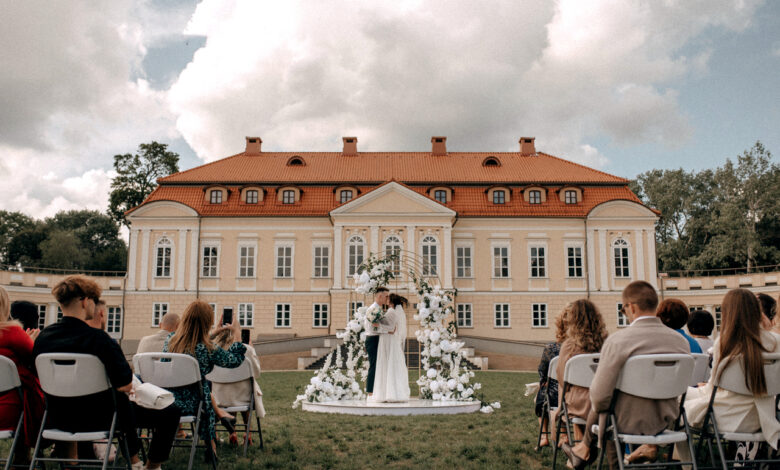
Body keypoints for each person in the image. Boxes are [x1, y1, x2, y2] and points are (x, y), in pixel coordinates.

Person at [32, 275, 180, 470]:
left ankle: (71, 462)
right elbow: (126, 384)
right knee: (170, 411)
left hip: (56, 417)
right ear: (85, 302)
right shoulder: (99, 339)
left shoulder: (43, 339)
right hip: (102, 418)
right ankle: (151, 466)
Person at [561, 281, 689, 469]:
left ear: (631, 307)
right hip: (667, 418)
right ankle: (584, 449)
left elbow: (598, 396)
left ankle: (588, 451)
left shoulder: (619, 341)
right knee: (609, 404)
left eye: (624, 309)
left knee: (607, 404)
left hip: (627, 421)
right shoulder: (681, 342)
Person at [676, 289, 780, 463]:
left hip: (727, 416)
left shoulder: (724, 343)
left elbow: (712, 389)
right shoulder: (776, 342)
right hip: (762, 417)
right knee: (681, 398)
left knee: (676, 401)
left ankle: (686, 464)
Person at [163, 300, 246, 459]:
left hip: (168, 401)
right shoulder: (206, 348)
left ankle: (215, 433)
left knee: (204, 390)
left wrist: (214, 333)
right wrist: (237, 333)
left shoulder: (171, 341)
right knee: (204, 392)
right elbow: (234, 360)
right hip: (195, 404)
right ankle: (212, 444)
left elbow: (192, 341)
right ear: (207, 322)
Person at [0, 286, 44, 466]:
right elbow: (38, 364)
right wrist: (31, 341)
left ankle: (22, 458)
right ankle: (70, 462)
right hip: (8, 412)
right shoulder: (13, 334)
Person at [556, 299, 607, 440]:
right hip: (605, 401)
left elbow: (562, 379)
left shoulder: (569, 346)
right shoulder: (607, 343)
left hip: (579, 403)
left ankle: (579, 445)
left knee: (570, 392)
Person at [211, 328, 265, 446]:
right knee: (245, 389)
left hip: (219, 399)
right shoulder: (246, 350)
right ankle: (248, 432)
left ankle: (232, 432)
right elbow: (257, 373)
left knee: (230, 391)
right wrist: (251, 349)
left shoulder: (213, 351)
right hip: (243, 399)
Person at [535, 303, 570, 448]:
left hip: (555, 395)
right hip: (579, 396)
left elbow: (543, 373)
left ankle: (544, 436)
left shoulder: (551, 348)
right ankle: (563, 434)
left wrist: (543, 381)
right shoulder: (585, 349)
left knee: (539, 397)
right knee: (565, 394)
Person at [371, 293, 410, 403]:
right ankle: (388, 392)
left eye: (388, 298)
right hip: (388, 339)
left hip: (388, 339)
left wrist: (377, 325)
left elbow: (391, 327)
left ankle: (388, 393)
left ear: (391, 302)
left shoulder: (391, 312)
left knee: (387, 363)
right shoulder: (392, 311)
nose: (386, 300)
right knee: (388, 364)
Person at [363, 287, 394, 396]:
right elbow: (374, 327)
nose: (387, 298)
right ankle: (370, 392)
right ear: (380, 296)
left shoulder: (378, 309)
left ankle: (376, 390)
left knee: (378, 364)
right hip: (372, 339)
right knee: (374, 365)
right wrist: (388, 331)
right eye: (386, 296)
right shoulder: (372, 310)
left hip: (377, 339)